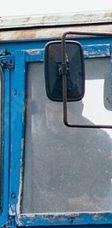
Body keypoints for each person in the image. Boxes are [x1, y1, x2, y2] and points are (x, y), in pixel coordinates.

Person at [25, 69, 112, 213]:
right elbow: (31, 195)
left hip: (96, 212)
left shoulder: (99, 140)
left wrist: (96, 199)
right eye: (49, 111)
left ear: (76, 113)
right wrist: (68, 203)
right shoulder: (37, 145)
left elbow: (106, 177)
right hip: (51, 219)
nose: (51, 118)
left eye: (58, 112)